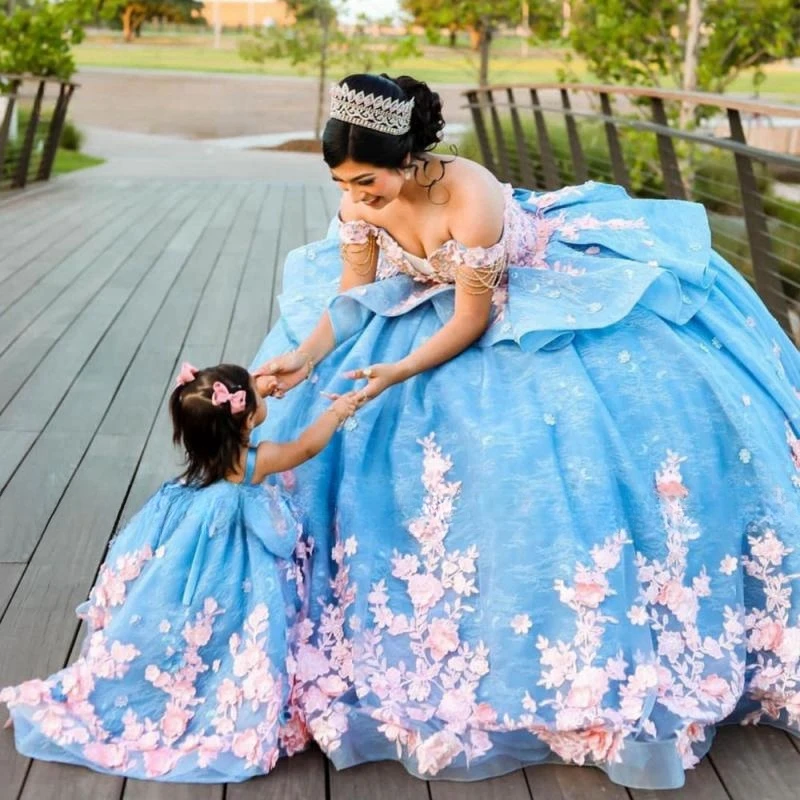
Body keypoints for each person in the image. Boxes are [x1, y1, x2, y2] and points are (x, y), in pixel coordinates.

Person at [249, 73, 800, 789]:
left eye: (367, 181)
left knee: (551, 452)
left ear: (410, 161)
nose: (355, 196)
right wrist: (301, 358)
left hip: (510, 304)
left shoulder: (469, 201)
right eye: (343, 183)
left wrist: (396, 373)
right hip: (423, 300)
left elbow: (469, 322)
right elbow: (355, 294)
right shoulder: (362, 200)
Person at [1, 363, 360, 782]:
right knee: (238, 610)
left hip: (195, 543)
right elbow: (304, 448)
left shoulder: (209, 450)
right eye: (253, 399)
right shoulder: (252, 463)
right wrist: (338, 412)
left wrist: (256, 390)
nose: (260, 398)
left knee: (190, 606)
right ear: (244, 420)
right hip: (237, 557)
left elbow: (226, 411)